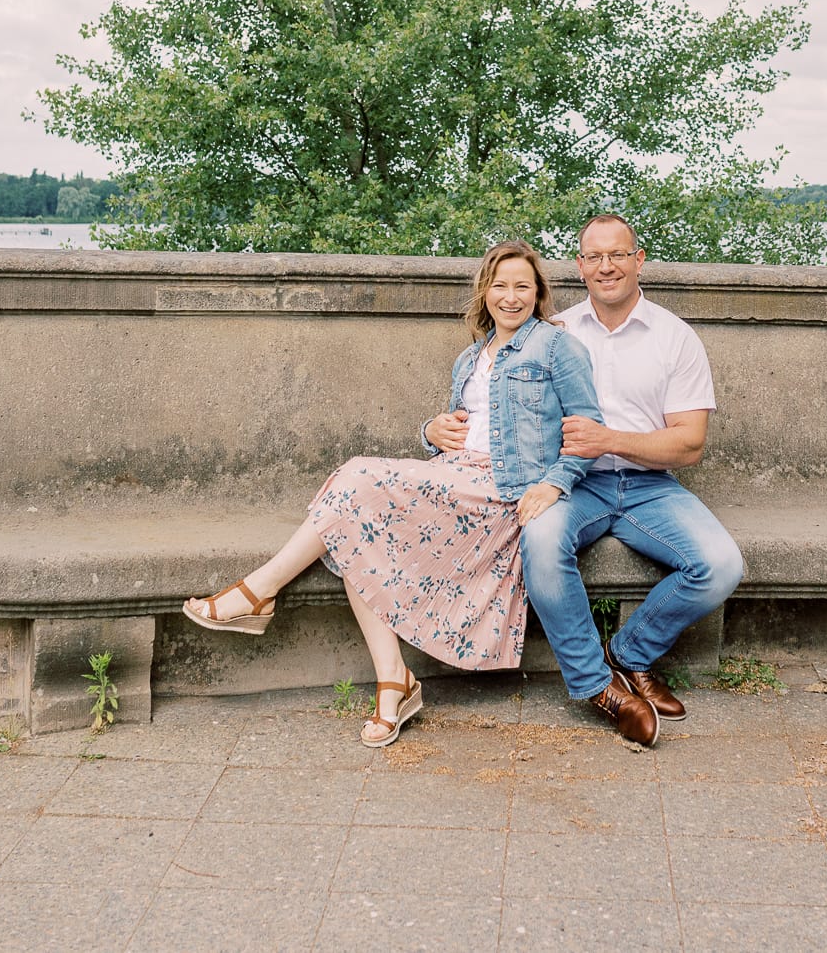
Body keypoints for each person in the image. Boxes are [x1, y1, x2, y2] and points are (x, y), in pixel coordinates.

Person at [182, 240, 611, 747]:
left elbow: (589, 431)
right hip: (455, 477)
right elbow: (460, 430)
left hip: (501, 490)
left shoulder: (557, 346)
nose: (510, 297)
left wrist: (551, 484)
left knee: (357, 481)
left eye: (522, 286)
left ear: (538, 293)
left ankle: (257, 593)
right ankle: (394, 684)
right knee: (355, 526)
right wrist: (429, 431)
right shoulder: (470, 358)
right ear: (484, 291)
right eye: (500, 286)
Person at [520, 213, 745, 726]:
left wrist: (611, 440)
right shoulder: (553, 334)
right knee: (539, 538)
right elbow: (498, 397)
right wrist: (435, 427)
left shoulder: (674, 336)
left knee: (720, 565)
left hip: (652, 487)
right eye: (594, 256)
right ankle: (597, 684)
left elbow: (689, 444)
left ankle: (630, 654)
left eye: (618, 254)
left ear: (638, 259)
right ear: (579, 266)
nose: (607, 267)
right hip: (576, 483)